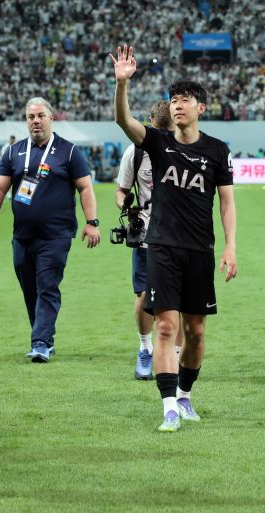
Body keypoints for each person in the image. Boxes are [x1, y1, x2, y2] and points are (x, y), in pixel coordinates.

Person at [110, 45, 237, 432]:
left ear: (201, 107)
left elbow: (227, 202)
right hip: (161, 247)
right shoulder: (157, 142)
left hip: (199, 250)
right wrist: (122, 84)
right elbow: (123, 121)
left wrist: (231, 246)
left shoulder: (217, 151)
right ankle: (168, 407)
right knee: (166, 328)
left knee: (195, 332)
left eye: (185, 100)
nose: (178, 105)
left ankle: (184, 396)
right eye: (174, 100)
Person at [0, 97, 101, 362]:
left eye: (40, 116)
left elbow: (85, 188)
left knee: (47, 286)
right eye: (31, 117)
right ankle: (43, 335)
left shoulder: (69, 151)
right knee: (30, 289)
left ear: (51, 118)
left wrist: (92, 222)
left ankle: (41, 342)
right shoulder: (13, 152)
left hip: (55, 235)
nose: (36, 121)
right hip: (22, 235)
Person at [116, 100, 183, 380]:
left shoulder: (186, 149)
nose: (162, 135)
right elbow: (121, 190)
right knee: (144, 295)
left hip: (180, 236)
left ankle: (175, 356)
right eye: (158, 129)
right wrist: (125, 206)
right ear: (150, 122)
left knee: (180, 300)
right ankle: (145, 348)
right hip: (146, 234)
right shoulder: (135, 152)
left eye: (167, 130)